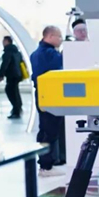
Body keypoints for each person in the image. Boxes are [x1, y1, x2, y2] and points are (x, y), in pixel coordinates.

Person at [31, 26, 65, 177]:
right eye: (59, 36)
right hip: (52, 95)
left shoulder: (36, 54)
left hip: (42, 95)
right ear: (50, 36)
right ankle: (46, 166)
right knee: (50, 130)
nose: (61, 40)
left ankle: (45, 164)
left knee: (45, 128)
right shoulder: (50, 54)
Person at [0, 36, 24, 119]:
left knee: (10, 91)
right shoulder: (16, 52)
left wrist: (0, 75)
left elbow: (5, 64)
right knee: (15, 92)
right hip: (17, 75)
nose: (3, 43)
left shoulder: (8, 52)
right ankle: (17, 108)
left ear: (7, 41)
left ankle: (16, 111)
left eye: (4, 41)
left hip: (12, 75)